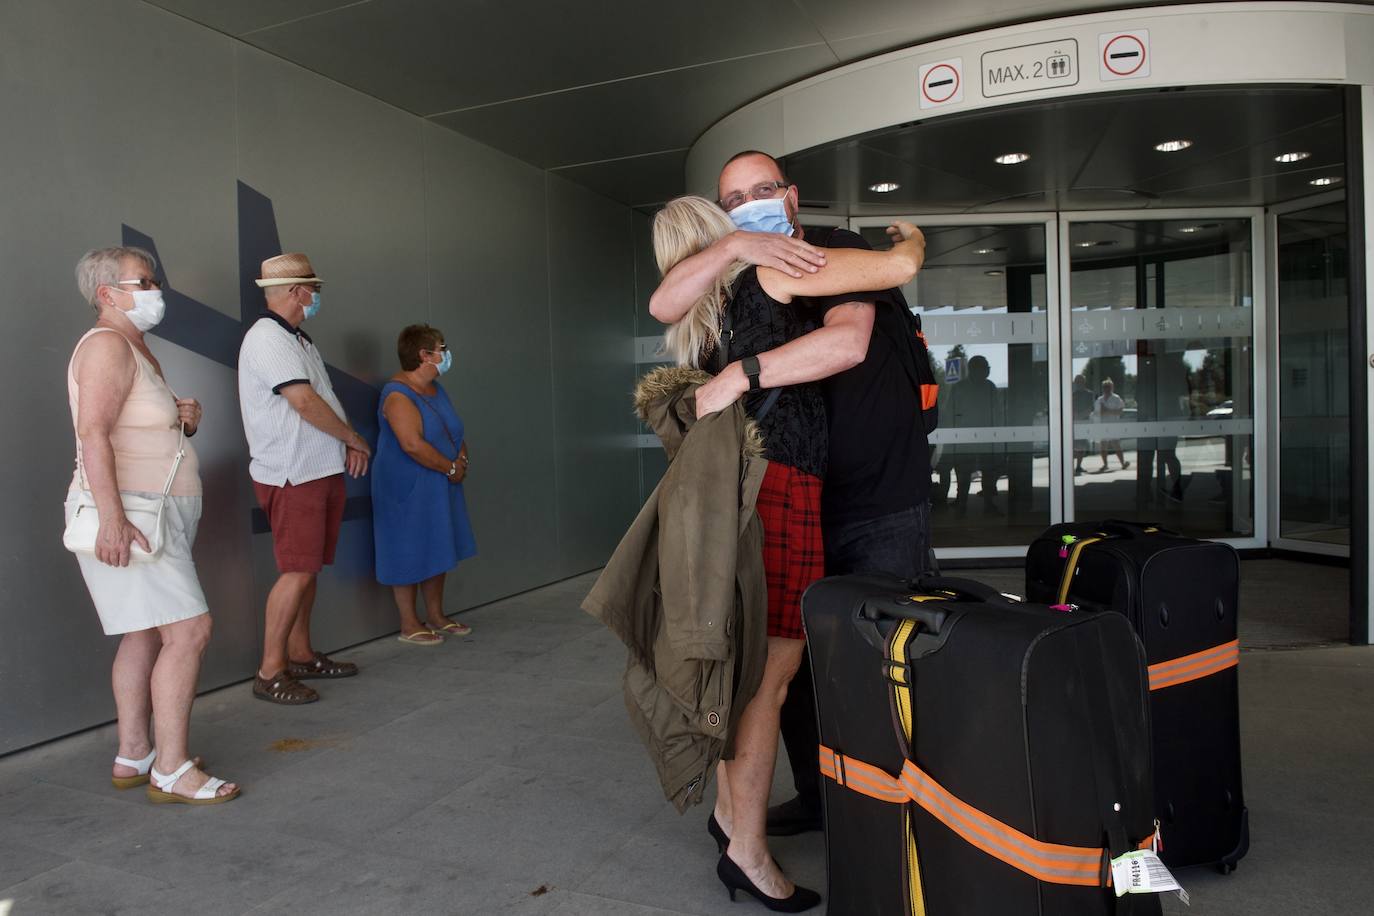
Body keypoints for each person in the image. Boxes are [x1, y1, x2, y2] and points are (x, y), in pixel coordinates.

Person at [651, 150, 936, 845]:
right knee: (791, 671)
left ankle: (894, 812)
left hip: (876, 497)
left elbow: (848, 341)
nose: (749, 205)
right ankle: (819, 798)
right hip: (795, 496)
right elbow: (664, 299)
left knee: (885, 656)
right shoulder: (735, 283)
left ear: (791, 195)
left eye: (762, 190)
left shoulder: (822, 251)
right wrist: (735, 248)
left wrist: (741, 374)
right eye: (733, 200)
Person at [64, 247, 238, 804]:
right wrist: (112, 520)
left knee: (143, 632)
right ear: (107, 294)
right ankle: (171, 769)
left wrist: (183, 421)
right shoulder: (107, 346)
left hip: (153, 510)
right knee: (189, 631)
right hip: (133, 514)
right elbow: (93, 433)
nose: (156, 289)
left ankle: (135, 753)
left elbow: (134, 427)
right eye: (144, 281)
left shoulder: (134, 345)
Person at [238, 253, 371, 704]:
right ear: (297, 291)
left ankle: (299, 653)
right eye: (314, 289)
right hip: (294, 473)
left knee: (307, 568)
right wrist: (353, 438)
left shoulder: (297, 338)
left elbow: (322, 398)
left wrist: (344, 443)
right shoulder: (268, 338)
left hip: (316, 469)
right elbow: (303, 401)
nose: (316, 296)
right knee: (296, 570)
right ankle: (270, 671)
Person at [372, 324, 477, 645]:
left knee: (437, 544)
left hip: (440, 481)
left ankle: (436, 615)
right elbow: (412, 444)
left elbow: (452, 430)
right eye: (442, 349)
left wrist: (461, 460)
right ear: (424, 355)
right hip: (407, 486)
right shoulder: (397, 395)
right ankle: (409, 623)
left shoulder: (435, 389)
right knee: (406, 546)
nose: (446, 354)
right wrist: (450, 467)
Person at [946, 355, 1003, 514]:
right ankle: (962, 504)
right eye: (985, 368)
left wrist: (998, 433)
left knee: (988, 471)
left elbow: (997, 411)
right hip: (965, 438)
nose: (987, 371)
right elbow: (950, 411)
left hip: (986, 438)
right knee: (963, 472)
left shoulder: (990, 387)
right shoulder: (959, 388)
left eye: (988, 368)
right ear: (974, 369)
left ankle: (988, 503)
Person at [1094, 377, 1130, 472]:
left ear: (1112, 387)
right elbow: (1097, 413)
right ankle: (1105, 464)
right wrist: (1105, 411)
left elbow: (1120, 411)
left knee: (1116, 444)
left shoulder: (1116, 398)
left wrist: (1107, 410)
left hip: (1113, 425)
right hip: (1102, 425)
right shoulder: (1099, 400)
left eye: (1109, 386)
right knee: (1103, 445)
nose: (1107, 388)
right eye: (1105, 386)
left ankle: (1123, 463)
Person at [1071, 374, 1095, 475]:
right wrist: (1075, 416)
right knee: (1071, 445)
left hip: (1084, 422)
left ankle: (1078, 466)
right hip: (1072, 422)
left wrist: (1080, 416)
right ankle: (1069, 466)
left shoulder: (1089, 394)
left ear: (1084, 382)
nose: (1079, 383)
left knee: (1081, 445)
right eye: (1077, 381)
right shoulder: (1071, 393)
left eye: (1080, 381)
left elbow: (1091, 407)